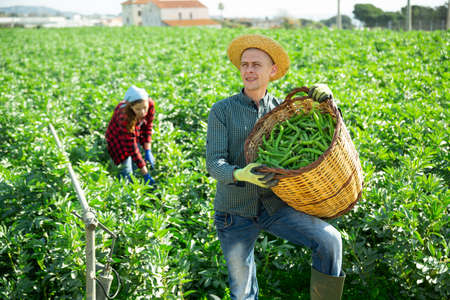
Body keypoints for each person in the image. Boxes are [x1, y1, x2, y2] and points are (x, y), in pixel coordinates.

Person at [206, 34, 345, 300]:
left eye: (256, 64)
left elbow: (326, 135)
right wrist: (239, 174)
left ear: (272, 70)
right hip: (234, 212)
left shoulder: (283, 111)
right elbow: (214, 163)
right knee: (243, 292)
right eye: (244, 64)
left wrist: (329, 102)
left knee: (330, 241)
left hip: (274, 205)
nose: (248, 70)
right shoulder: (222, 111)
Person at [105, 85, 156, 186]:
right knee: (126, 173)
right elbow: (131, 147)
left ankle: (137, 178)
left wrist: (147, 150)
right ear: (130, 107)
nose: (142, 112)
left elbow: (148, 127)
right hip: (118, 139)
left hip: (133, 135)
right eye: (138, 109)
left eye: (144, 108)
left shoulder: (150, 105)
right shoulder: (124, 115)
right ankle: (126, 193)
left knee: (137, 166)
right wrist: (145, 173)